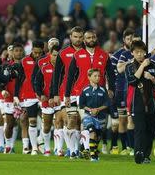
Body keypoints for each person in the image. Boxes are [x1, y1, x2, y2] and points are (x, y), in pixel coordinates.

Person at [65, 30, 116, 159]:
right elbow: (70, 76)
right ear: (84, 40)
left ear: (96, 38)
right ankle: (83, 150)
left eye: (93, 37)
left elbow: (111, 74)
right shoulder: (77, 55)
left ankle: (85, 147)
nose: (91, 39)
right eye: (88, 37)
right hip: (80, 93)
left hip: (100, 94)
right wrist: (67, 95)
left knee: (100, 128)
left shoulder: (104, 55)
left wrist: (111, 89)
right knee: (87, 123)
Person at [125, 40, 155, 164]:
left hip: (151, 103)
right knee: (140, 129)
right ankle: (138, 153)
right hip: (137, 103)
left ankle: (146, 155)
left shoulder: (153, 65)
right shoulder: (129, 66)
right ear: (132, 53)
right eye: (137, 52)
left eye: (142, 52)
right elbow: (132, 81)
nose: (140, 54)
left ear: (145, 52)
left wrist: (151, 78)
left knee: (150, 130)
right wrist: (142, 66)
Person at [51, 26, 84, 157]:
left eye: (80, 37)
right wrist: (55, 94)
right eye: (75, 36)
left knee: (81, 122)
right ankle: (72, 149)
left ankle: (77, 148)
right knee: (70, 120)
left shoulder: (87, 52)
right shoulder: (63, 53)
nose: (78, 39)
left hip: (83, 91)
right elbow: (57, 75)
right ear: (70, 37)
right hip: (67, 92)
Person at [14, 40, 45, 155]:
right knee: (30, 120)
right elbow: (19, 79)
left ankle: (40, 140)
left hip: (43, 94)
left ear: (43, 51)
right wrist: (16, 95)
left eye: (39, 53)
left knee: (47, 119)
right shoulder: (24, 61)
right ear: (32, 50)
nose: (37, 55)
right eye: (35, 52)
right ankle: (34, 148)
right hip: (28, 94)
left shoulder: (46, 60)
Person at [109, 28, 134, 155]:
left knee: (127, 120)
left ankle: (128, 147)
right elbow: (112, 74)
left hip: (132, 91)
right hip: (120, 91)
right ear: (124, 40)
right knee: (118, 121)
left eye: (132, 38)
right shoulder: (117, 56)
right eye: (128, 39)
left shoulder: (138, 53)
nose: (130, 41)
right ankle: (116, 146)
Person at [34, 44, 60, 156]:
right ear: (50, 55)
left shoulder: (64, 68)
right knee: (47, 126)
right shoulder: (44, 67)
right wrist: (40, 94)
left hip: (59, 100)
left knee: (59, 123)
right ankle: (47, 148)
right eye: (54, 55)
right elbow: (37, 82)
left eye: (58, 56)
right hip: (46, 100)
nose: (56, 58)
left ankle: (58, 149)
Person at [79, 69, 110, 162]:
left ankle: (85, 149)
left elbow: (107, 103)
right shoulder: (85, 90)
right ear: (89, 77)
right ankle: (93, 156)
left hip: (100, 116)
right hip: (88, 116)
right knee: (92, 132)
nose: (97, 78)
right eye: (95, 76)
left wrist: (98, 109)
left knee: (98, 136)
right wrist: (90, 110)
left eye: (99, 76)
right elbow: (81, 105)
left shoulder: (103, 90)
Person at [0, 43, 25, 154]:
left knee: (25, 122)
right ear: (12, 53)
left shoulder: (28, 64)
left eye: (20, 50)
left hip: (25, 98)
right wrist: (3, 90)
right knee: (10, 124)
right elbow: (2, 80)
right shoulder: (6, 66)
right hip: (10, 98)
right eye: (16, 50)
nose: (18, 52)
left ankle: (26, 148)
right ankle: (8, 146)